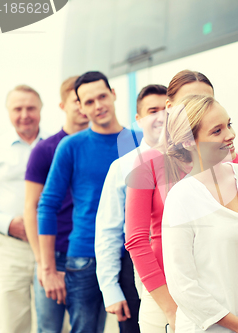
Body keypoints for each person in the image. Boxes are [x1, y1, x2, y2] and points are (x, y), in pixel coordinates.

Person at [125, 70, 238, 332]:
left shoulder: (230, 159)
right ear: (170, 108)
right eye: (191, 101)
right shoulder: (148, 162)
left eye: (208, 101)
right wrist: (169, 308)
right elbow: (136, 240)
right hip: (166, 299)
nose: (202, 109)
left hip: (223, 294)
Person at [160, 95, 238, 333]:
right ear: (189, 142)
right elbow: (183, 286)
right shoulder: (181, 199)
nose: (230, 135)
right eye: (217, 131)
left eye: (229, 124)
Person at [38, 71, 124, 332]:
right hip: (85, 258)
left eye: (102, 97)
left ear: (113, 95)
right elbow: (47, 205)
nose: (98, 106)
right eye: (88, 102)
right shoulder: (71, 146)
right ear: (81, 107)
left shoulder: (138, 141)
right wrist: (49, 269)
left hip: (131, 254)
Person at [95, 84, 168, 333]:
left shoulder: (188, 159)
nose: (160, 116)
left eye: (166, 109)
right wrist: (110, 289)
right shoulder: (123, 166)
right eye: (152, 110)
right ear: (138, 119)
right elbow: (108, 229)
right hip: (134, 266)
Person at [23, 76, 89, 333]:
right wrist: (43, 262)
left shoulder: (103, 144)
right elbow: (31, 207)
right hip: (55, 255)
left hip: (89, 256)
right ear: (63, 105)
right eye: (77, 100)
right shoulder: (45, 149)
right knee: (48, 329)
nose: (84, 105)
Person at [0, 85, 47, 333]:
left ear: (41, 110)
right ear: (8, 111)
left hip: (50, 246)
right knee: (12, 324)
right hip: (9, 248)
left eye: (31, 108)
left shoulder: (57, 145)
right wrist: (7, 223)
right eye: (18, 108)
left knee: (55, 322)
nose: (25, 114)